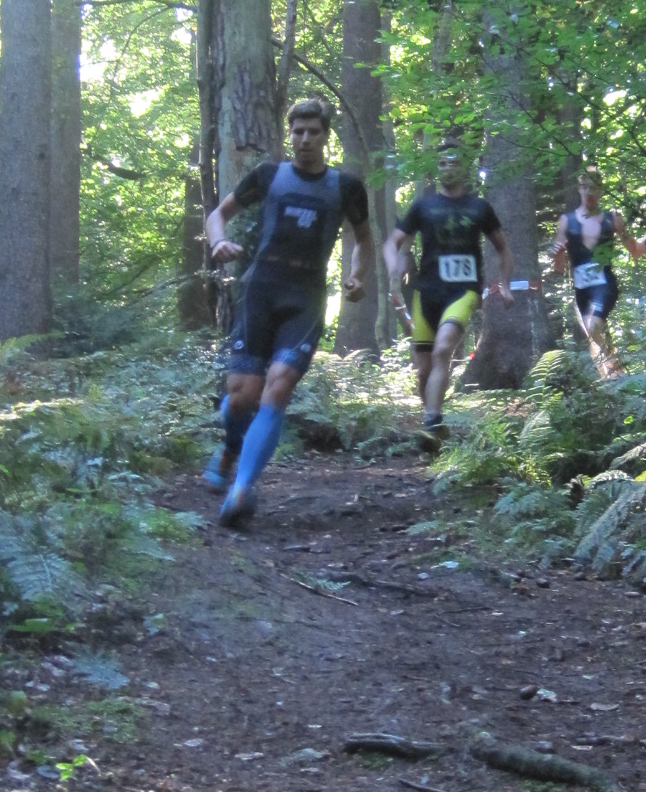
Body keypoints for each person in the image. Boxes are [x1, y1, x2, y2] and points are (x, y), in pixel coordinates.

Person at [201, 97, 375, 526]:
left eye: (313, 132)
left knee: (277, 388)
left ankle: (242, 490)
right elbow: (217, 216)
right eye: (297, 131)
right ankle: (231, 444)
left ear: (325, 136)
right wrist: (218, 242)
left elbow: (365, 239)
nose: (304, 139)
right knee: (242, 397)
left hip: (307, 298)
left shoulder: (345, 187)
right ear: (289, 134)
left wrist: (357, 276)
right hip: (260, 290)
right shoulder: (269, 177)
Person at [384, 142, 516, 445]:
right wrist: (396, 266)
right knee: (423, 369)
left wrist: (505, 284)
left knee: (443, 350)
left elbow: (504, 249)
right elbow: (392, 242)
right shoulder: (423, 206)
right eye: (442, 163)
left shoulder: (479, 207)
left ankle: (432, 422)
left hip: (463, 292)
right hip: (425, 294)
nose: (447, 168)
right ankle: (430, 420)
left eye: (453, 163)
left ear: (464, 168)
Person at [549, 167, 646, 377]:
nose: (590, 192)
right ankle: (615, 378)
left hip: (605, 285)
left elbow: (636, 250)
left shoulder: (612, 218)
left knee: (595, 326)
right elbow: (559, 269)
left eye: (595, 188)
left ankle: (618, 377)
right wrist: (558, 255)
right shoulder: (567, 221)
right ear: (579, 189)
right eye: (586, 187)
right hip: (582, 291)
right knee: (597, 337)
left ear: (602, 191)